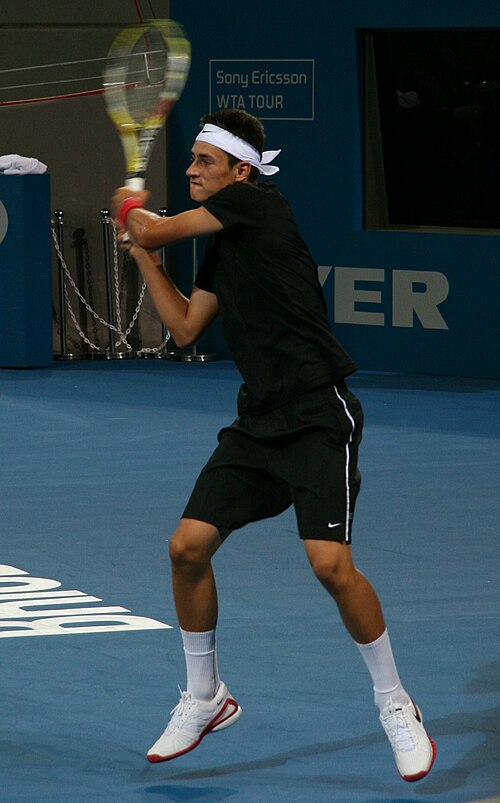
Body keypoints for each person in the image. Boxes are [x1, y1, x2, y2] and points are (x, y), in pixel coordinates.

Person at [112, 109, 436, 781]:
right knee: (187, 546)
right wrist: (144, 253)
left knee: (330, 566)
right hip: (258, 421)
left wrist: (138, 218)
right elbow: (185, 326)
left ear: (240, 170)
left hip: (319, 414)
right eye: (192, 159)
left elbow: (159, 224)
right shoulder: (225, 239)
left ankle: (395, 702)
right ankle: (205, 696)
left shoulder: (258, 204)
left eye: (205, 160)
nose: (193, 168)